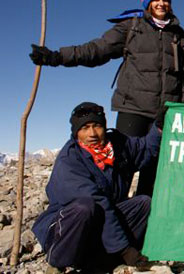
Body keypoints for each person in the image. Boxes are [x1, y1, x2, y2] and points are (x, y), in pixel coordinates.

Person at [29, 0, 184, 195]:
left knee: (155, 173)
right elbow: (96, 50)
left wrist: (183, 105)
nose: (161, 3)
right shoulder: (132, 27)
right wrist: (56, 57)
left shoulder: (179, 35)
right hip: (133, 109)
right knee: (121, 167)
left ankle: (144, 213)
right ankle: (116, 210)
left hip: (164, 116)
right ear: (147, 3)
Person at [32, 102, 164, 273]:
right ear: (76, 132)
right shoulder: (70, 159)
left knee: (144, 203)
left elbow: (144, 148)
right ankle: (59, 262)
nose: (92, 133)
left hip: (101, 223)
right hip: (67, 230)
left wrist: (159, 128)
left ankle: (101, 261)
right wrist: (125, 249)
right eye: (85, 128)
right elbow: (99, 202)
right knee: (84, 208)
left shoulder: (117, 145)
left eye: (97, 126)